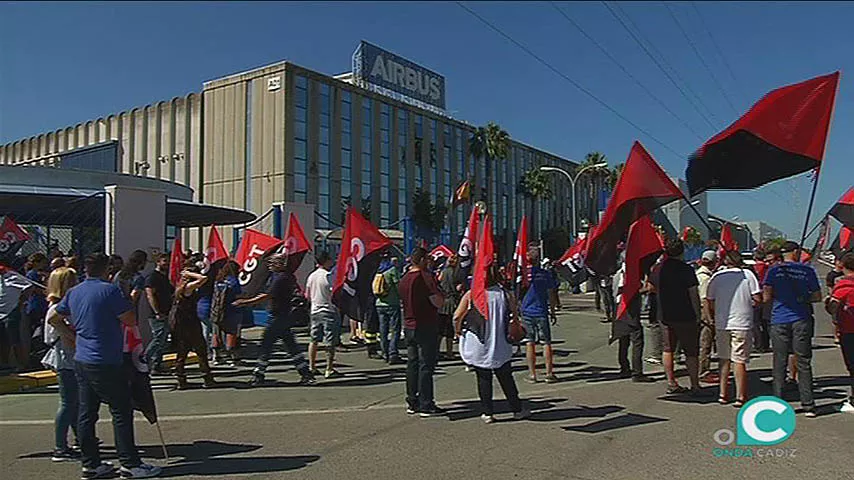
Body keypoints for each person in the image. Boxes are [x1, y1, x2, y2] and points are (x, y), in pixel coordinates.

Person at [47, 253, 161, 479]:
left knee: (87, 412)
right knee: (121, 410)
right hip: (106, 359)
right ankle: (130, 463)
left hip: (82, 358)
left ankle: (91, 464)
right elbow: (129, 319)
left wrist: (72, 335)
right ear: (106, 269)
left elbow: (54, 318)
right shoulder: (109, 291)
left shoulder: (74, 291)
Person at [453, 262, 529, 423]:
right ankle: (516, 409)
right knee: (506, 377)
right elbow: (515, 317)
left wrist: (458, 330)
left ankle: (488, 412)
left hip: (479, 341)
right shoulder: (506, 294)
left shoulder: (472, 294)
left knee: (483, 378)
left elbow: (457, 316)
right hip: (501, 341)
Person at [235, 253, 314, 387]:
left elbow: (267, 295)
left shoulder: (280, 279)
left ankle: (258, 375)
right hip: (283, 316)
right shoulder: (287, 277)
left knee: (266, 346)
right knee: (291, 346)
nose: (270, 266)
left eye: (273, 263)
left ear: (280, 264)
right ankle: (305, 373)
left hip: (277, 317)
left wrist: (246, 302)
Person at [764, 241, 822, 417]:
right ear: (796, 252)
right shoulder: (808, 270)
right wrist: (802, 297)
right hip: (801, 318)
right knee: (803, 361)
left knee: (779, 361)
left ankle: (778, 403)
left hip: (779, 319)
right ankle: (808, 404)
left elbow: (767, 296)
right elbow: (817, 296)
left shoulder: (773, 270)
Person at [706, 250, 761, 407]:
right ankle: (740, 396)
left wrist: (715, 313)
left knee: (724, 360)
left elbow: (710, 299)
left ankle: (723, 394)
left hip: (722, 323)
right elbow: (757, 298)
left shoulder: (717, 276)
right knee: (739, 360)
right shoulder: (747, 275)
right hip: (742, 322)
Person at [42, 266, 82, 461]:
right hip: (66, 358)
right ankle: (60, 447)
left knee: (75, 402)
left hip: (71, 357)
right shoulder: (57, 308)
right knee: (68, 403)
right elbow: (61, 333)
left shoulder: (65, 305)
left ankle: (80, 439)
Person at [399, 246, 445, 417]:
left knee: (412, 364)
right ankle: (426, 403)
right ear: (423, 260)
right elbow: (437, 302)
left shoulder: (404, 278)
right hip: (425, 324)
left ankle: (412, 400)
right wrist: (442, 297)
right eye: (429, 259)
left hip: (409, 324)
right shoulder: (425, 277)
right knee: (426, 365)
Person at [657, 239, 702, 395]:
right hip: (685, 314)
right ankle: (695, 384)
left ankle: (671, 381)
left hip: (665, 314)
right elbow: (693, 293)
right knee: (691, 351)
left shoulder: (659, 269)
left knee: (668, 349)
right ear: (682, 251)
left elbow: (649, 287)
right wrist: (698, 314)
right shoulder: (686, 269)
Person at [170, 262, 215, 389]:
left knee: (182, 352)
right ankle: (207, 378)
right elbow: (203, 279)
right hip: (189, 323)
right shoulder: (187, 287)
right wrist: (190, 273)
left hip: (182, 324)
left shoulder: (180, 287)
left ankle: (181, 379)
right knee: (200, 350)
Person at [520, 243, 559, 384]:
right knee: (546, 342)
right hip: (541, 310)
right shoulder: (545, 274)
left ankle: (532, 374)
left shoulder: (523, 275)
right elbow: (551, 294)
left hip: (526, 311)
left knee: (529, 343)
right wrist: (553, 311)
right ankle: (549, 373)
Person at [613, 257, 654, 383]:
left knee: (623, 340)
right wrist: (645, 289)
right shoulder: (627, 274)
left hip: (619, 308)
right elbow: (626, 291)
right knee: (637, 340)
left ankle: (624, 367)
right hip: (628, 308)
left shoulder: (619, 273)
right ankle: (637, 372)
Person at [825, 251, 854, 413]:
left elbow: (833, 306)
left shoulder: (844, 285)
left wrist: (828, 305)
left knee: (852, 366)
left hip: (849, 329)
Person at [305, 251, 342, 379]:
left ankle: (312, 366)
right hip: (328, 310)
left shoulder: (311, 276)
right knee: (329, 341)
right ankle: (329, 368)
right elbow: (334, 293)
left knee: (314, 339)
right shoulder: (328, 276)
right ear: (326, 261)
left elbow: (307, 295)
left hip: (315, 310)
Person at [143, 254, 174, 374]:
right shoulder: (152, 277)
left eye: (168, 261)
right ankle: (144, 359)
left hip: (167, 312)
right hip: (157, 314)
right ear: (158, 262)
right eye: (164, 261)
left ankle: (157, 365)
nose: (166, 263)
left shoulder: (165, 277)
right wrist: (157, 312)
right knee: (158, 339)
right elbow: (150, 295)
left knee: (163, 341)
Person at [210, 261, 243, 366]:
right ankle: (234, 358)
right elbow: (238, 295)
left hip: (216, 311)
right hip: (231, 311)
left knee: (216, 333)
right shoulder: (234, 281)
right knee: (232, 333)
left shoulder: (218, 280)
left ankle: (216, 356)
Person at [375, 255, 403, 364]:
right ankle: (393, 354)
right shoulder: (392, 270)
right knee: (395, 329)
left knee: (383, 330)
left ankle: (384, 352)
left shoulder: (378, 270)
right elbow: (398, 286)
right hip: (392, 303)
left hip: (379, 303)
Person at [24, 253, 50, 368]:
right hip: (36, 305)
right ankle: (35, 354)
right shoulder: (32, 274)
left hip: (40, 305)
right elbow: (34, 288)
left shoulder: (39, 274)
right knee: (37, 330)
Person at [696, 250, 717, 383]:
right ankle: (703, 370)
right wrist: (709, 318)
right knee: (705, 343)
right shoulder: (705, 277)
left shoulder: (699, 274)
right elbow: (705, 300)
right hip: (705, 312)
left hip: (699, 312)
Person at [438, 254, 462, 360]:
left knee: (440, 328)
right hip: (452, 302)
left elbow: (438, 281)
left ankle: (436, 350)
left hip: (442, 302)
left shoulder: (443, 271)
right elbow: (458, 288)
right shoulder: (456, 273)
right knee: (449, 330)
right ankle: (449, 352)